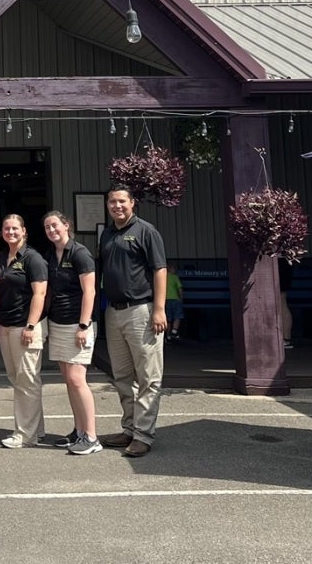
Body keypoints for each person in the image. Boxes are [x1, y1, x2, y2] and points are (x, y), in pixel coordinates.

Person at [99, 184, 167, 458]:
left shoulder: (145, 231)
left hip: (141, 310)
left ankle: (143, 435)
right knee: (123, 376)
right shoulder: (106, 234)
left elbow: (159, 269)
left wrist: (159, 309)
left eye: (122, 202)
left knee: (148, 376)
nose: (117, 206)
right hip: (113, 313)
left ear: (132, 203)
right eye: (112, 202)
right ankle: (129, 428)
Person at [42, 210, 101, 456]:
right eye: (47, 228)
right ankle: (78, 431)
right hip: (58, 323)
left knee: (78, 379)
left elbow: (90, 292)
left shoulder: (80, 253)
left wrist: (84, 326)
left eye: (55, 225)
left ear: (66, 225)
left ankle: (91, 437)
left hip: (78, 325)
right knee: (69, 379)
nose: (52, 230)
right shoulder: (51, 255)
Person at [0, 213, 48, 449]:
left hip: (25, 327)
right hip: (6, 326)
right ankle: (38, 429)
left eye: (15, 228)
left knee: (27, 381)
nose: (11, 232)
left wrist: (31, 325)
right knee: (19, 380)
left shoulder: (33, 258)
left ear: (24, 231)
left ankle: (25, 435)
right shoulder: (2, 256)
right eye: (7, 228)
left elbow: (40, 294)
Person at [166, 264, 184, 343]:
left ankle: (168, 336)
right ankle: (174, 331)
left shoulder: (163, 277)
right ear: (170, 269)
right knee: (177, 316)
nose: (175, 270)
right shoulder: (175, 277)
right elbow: (180, 289)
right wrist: (181, 298)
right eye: (174, 268)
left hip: (166, 300)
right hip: (175, 300)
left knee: (168, 319)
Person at [279, 260, 294, 350]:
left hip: (279, 263)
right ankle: (286, 339)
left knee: (281, 300)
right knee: (282, 301)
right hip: (283, 261)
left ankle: (285, 339)